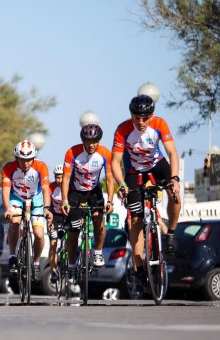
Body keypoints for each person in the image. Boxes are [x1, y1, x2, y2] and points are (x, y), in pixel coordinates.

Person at [111, 94, 181, 284]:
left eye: (145, 118)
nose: (141, 122)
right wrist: (122, 184)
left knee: (175, 194)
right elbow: (115, 162)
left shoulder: (159, 124)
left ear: (152, 116)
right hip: (134, 171)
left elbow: (172, 152)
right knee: (136, 219)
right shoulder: (123, 129)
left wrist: (174, 179)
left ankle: (171, 234)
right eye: (136, 118)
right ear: (131, 116)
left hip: (157, 165)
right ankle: (139, 267)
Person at [60, 124, 115, 283]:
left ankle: (98, 252)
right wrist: (64, 200)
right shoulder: (72, 152)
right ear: (83, 140)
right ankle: (71, 265)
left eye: (95, 141)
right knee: (74, 229)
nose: (91, 145)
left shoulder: (105, 153)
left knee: (98, 218)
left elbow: (109, 179)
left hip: (93, 191)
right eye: (88, 141)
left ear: (99, 141)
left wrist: (110, 201)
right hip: (75, 192)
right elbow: (65, 179)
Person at [1, 140, 53, 281]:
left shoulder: (41, 167)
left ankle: (36, 263)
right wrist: (7, 209)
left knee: (39, 234)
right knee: (15, 222)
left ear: (34, 157)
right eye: (22, 159)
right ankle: (13, 256)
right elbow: (5, 190)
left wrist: (47, 208)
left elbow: (45, 189)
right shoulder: (9, 168)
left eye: (29, 159)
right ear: (16, 158)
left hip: (36, 198)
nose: (26, 163)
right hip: (16, 197)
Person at [47, 164, 66, 285]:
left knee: (70, 240)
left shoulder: (70, 186)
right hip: (54, 217)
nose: (59, 180)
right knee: (53, 243)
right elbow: (46, 204)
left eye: (62, 177)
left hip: (66, 216)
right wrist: (49, 220)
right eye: (57, 177)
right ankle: (53, 271)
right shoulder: (51, 187)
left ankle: (68, 263)